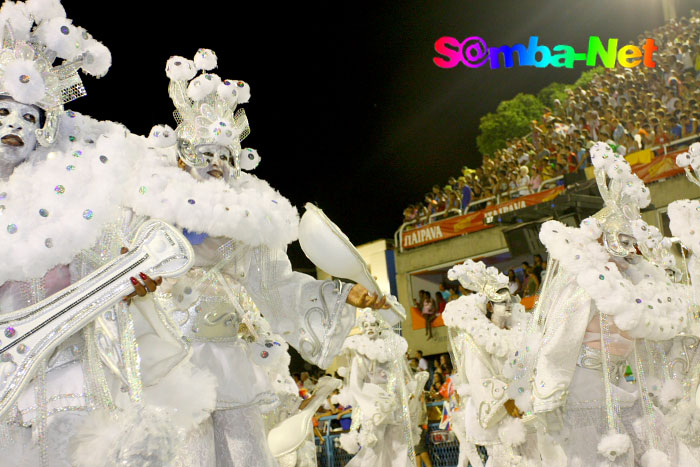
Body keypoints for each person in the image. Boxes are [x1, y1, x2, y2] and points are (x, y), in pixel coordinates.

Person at [101, 48, 394, 466]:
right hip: (171, 360)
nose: (217, 164)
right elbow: (119, 273)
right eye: (207, 155)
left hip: (228, 357)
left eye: (226, 156)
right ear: (183, 157)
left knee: (247, 453)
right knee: (190, 453)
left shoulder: (246, 231)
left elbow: (277, 284)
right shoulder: (150, 211)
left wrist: (339, 293)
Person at [518, 142, 695, 465]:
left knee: (659, 440)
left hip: (618, 383)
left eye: (632, 242)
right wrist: (548, 394)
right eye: (621, 240)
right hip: (585, 388)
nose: (628, 248)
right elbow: (560, 339)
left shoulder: (631, 284)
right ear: (602, 239)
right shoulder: (585, 285)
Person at [442, 260, 538, 466]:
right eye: (502, 302)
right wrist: (507, 401)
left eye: (509, 300)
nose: (509, 305)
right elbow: (478, 377)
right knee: (506, 459)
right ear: (489, 306)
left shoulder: (517, 334)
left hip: (526, 407)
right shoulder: (478, 338)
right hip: (500, 412)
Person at [337, 309, 418, 467]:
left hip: (394, 404)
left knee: (399, 445)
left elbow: (398, 377)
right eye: (366, 325)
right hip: (375, 407)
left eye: (373, 324)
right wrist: (372, 404)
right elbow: (355, 384)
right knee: (374, 447)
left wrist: (403, 397)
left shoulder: (390, 351)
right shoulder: (360, 355)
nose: (370, 328)